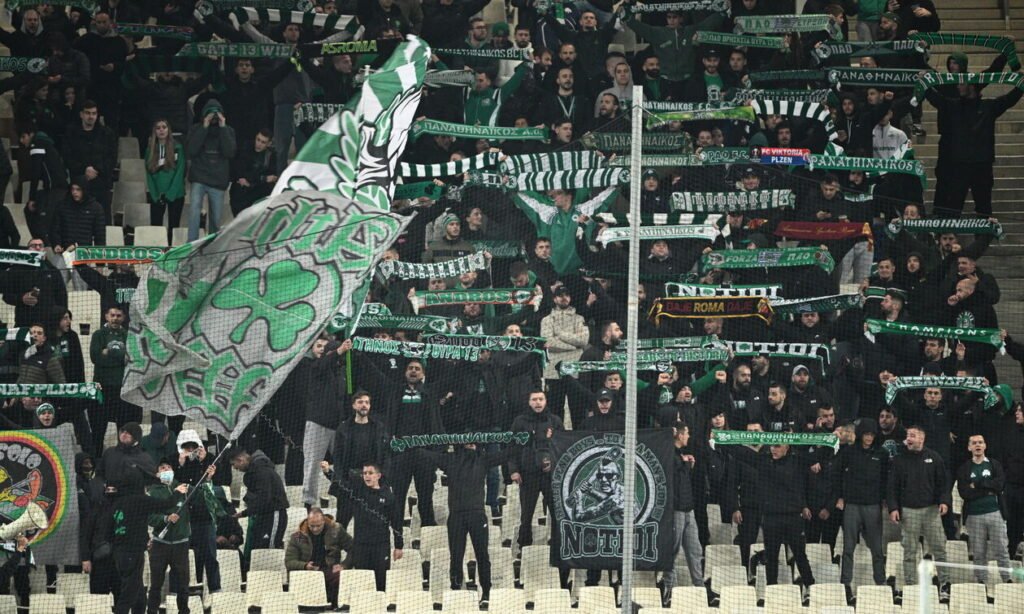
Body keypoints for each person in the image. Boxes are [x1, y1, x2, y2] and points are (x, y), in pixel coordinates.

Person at [421, 442, 508, 606]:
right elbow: (426, 455)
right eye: (468, 441)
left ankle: (486, 593)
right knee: (456, 557)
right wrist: (411, 442)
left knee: (482, 556)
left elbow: (507, 454)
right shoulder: (450, 459)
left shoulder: (483, 459)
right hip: (456, 517)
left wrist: (524, 440)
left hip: (477, 516)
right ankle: (456, 592)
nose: (471, 444)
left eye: (474, 441)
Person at [887, 426, 951, 602]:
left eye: (913, 436)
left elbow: (944, 484)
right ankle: (910, 586)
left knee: (939, 549)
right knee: (910, 552)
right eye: (908, 435)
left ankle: (945, 584)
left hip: (931, 510)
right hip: (909, 511)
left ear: (922, 439)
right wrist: (893, 508)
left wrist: (944, 501)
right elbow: (891, 487)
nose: (909, 438)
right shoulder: (899, 460)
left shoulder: (934, 457)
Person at [110, 480, 188, 614]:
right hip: (133, 553)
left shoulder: (116, 503)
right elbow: (166, 504)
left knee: (138, 597)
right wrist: (177, 492)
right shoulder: (140, 500)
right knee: (129, 595)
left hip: (119, 554)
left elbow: (109, 531)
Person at [832, 418, 888, 598]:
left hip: (873, 506)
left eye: (872, 435)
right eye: (866, 434)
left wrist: (885, 499)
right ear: (860, 435)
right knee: (848, 548)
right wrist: (840, 497)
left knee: (877, 548)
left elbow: (887, 478)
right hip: (852, 506)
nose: (869, 438)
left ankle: (880, 582)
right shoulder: (848, 452)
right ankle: (845, 585)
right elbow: (837, 475)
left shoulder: (882, 454)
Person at [300, 337, 352, 508]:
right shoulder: (316, 367)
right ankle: (309, 503)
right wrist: (338, 351)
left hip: (338, 425)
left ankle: (343, 496)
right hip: (318, 423)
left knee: (344, 462)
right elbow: (323, 364)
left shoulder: (343, 374)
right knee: (312, 464)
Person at [327, 390, 391, 527]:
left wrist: (382, 479)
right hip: (349, 483)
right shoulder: (343, 428)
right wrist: (342, 481)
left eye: (367, 402)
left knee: (372, 524)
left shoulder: (378, 427)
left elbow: (386, 455)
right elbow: (337, 457)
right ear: (354, 405)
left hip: (372, 483)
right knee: (341, 524)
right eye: (360, 402)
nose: (364, 405)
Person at [509, 390, 564, 547]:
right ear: (529, 402)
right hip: (528, 476)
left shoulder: (555, 421)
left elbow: (563, 446)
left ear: (546, 401)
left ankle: (558, 546)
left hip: (550, 476)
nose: (538, 402)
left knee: (556, 513)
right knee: (526, 515)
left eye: (541, 399)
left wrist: (554, 464)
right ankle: (523, 546)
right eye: (534, 399)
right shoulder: (520, 421)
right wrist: (513, 470)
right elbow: (511, 447)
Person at [956, 434, 1011, 583]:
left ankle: (1007, 580)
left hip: (995, 513)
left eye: (980, 442)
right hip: (974, 516)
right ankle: (981, 583)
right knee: (979, 553)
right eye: (974, 443)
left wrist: (977, 485)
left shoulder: (994, 464)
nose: (978, 445)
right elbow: (964, 493)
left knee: (1001, 550)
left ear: (985, 445)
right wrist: (987, 488)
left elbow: (999, 485)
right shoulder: (964, 469)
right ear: (969, 447)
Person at [662, 422, 705, 600]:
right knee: (672, 551)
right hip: (675, 511)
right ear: (679, 435)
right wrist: (684, 464)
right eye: (686, 433)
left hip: (689, 510)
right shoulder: (669, 454)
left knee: (695, 550)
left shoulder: (680, 455)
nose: (688, 436)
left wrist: (687, 464)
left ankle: (700, 588)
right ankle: (670, 591)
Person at [228, 447, 289, 569]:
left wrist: (245, 513)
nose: (235, 469)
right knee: (259, 548)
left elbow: (264, 498)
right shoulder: (255, 471)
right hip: (263, 516)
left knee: (269, 549)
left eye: (234, 465)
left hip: (273, 514)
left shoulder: (261, 472)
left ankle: (272, 575)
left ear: (240, 459)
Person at [186, 99, 236, 241]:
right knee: (194, 209)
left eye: (216, 114)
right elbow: (191, 150)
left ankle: (212, 245)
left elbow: (230, 152)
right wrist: (204, 127)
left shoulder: (228, 130)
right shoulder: (196, 129)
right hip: (199, 177)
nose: (213, 117)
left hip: (218, 180)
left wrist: (223, 127)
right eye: (211, 114)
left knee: (216, 218)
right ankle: (192, 243)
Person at [89, 306, 137, 455]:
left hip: (121, 389)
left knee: (122, 426)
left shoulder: (128, 335)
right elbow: (95, 357)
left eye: (118, 315)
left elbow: (131, 358)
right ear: (106, 316)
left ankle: (121, 456)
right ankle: (96, 457)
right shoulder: (98, 334)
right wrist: (120, 356)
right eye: (112, 315)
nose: (115, 318)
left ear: (123, 318)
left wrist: (108, 352)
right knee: (98, 426)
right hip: (102, 388)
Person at [284, 507, 354, 608]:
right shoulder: (297, 537)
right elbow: (289, 561)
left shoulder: (337, 530)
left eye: (318, 526)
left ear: (323, 521)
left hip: (329, 570)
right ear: (307, 522)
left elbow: (354, 549)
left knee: (341, 576)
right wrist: (305, 566)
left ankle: (336, 606)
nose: (315, 529)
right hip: (307, 573)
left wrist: (344, 565)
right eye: (312, 526)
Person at [349, 462, 403, 591]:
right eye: (364, 473)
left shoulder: (388, 497)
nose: (367, 476)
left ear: (378, 475)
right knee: (362, 584)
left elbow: (396, 522)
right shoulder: (358, 493)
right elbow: (340, 484)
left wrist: (399, 546)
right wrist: (328, 471)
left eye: (370, 473)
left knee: (381, 582)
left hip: (381, 546)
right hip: (361, 546)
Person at [60, 100, 117, 222]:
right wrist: (84, 169)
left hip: (101, 184)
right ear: (81, 114)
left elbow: (112, 158)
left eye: (94, 113)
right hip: (78, 183)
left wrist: (97, 170)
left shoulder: (107, 133)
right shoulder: (71, 133)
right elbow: (67, 157)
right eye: (87, 113)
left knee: (102, 221)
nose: (91, 116)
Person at [146, 460, 192, 614]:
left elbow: (200, 495)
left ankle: (183, 611)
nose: (166, 470)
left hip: (181, 544)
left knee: (183, 584)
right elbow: (150, 518)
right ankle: (152, 611)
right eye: (162, 468)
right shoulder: (153, 492)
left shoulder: (184, 488)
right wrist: (166, 518)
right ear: (157, 474)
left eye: (169, 467)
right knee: (156, 584)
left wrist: (208, 478)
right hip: (160, 544)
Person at [18, 122, 68, 243]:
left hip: (55, 189)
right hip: (54, 188)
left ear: (30, 135)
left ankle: (45, 244)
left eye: (23, 137)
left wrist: (32, 198)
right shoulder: (47, 143)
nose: (22, 141)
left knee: (45, 219)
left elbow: (35, 172)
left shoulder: (37, 144)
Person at [145, 119, 186, 242]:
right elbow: (149, 175)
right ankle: (157, 252)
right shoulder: (150, 150)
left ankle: (172, 252)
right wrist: (155, 194)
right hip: (157, 195)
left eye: (164, 127)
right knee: (156, 229)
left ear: (169, 130)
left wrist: (170, 194)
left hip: (176, 194)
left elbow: (180, 172)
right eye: (158, 128)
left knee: (173, 228)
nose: (161, 130)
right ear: (154, 132)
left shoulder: (178, 148)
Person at [228, 129, 277, 216]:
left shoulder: (270, 156)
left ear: (269, 144)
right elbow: (239, 171)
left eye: (263, 142)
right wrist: (263, 178)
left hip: (258, 196)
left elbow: (272, 177)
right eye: (258, 140)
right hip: (241, 196)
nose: (259, 144)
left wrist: (252, 181)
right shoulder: (245, 149)